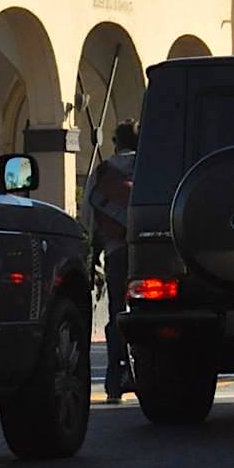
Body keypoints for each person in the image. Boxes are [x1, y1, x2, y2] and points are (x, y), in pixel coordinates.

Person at [84, 120, 138, 402]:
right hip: (146, 252)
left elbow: (89, 216)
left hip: (115, 251)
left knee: (117, 312)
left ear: (116, 142)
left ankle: (115, 378)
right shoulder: (149, 168)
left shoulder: (104, 172)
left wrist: (93, 253)